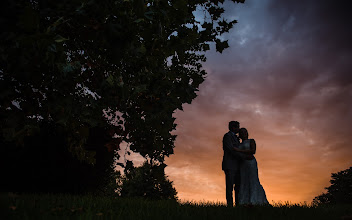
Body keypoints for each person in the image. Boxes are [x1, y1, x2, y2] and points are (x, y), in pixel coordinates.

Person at [234, 128, 269, 205]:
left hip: (251, 163)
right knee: (244, 181)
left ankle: (254, 199)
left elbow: (253, 151)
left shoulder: (251, 141)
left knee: (253, 180)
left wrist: (239, 150)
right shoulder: (238, 144)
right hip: (243, 164)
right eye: (242, 132)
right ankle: (244, 201)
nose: (244, 134)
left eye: (245, 132)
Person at [222, 121, 253, 207]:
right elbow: (231, 149)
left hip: (238, 166)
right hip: (230, 165)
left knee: (238, 187)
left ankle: (238, 204)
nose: (239, 129)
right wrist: (244, 157)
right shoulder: (227, 136)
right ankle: (230, 205)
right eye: (238, 127)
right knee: (229, 187)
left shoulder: (237, 138)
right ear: (233, 127)